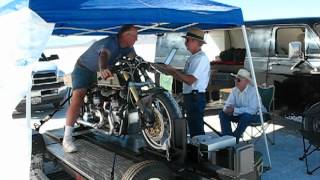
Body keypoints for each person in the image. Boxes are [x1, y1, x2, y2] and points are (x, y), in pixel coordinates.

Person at [63, 25, 138, 153]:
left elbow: (134, 57)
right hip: (84, 69)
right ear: (126, 36)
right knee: (79, 95)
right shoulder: (111, 42)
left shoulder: (128, 47)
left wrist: (141, 63)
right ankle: (67, 138)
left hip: (102, 70)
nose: (137, 39)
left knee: (120, 87)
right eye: (135, 36)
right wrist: (103, 68)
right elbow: (103, 54)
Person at [160, 28, 210, 138]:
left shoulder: (200, 58)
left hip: (195, 97)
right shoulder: (194, 57)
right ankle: (197, 151)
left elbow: (190, 80)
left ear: (195, 41)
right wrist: (171, 72)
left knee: (196, 130)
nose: (185, 43)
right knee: (194, 127)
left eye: (187, 40)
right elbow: (186, 77)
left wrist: (173, 71)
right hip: (192, 96)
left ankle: (199, 152)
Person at [219, 68, 266, 142]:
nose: (235, 81)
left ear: (246, 81)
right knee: (222, 113)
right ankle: (227, 138)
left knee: (246, 116)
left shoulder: (253, 91)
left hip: (257, 115)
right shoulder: (234, 90)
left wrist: (234, 110)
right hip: (241, 115)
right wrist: (227, 109)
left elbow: (252, 110)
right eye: (235, 79)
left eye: (238, 80)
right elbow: (228, 104)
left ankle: (235, 138)